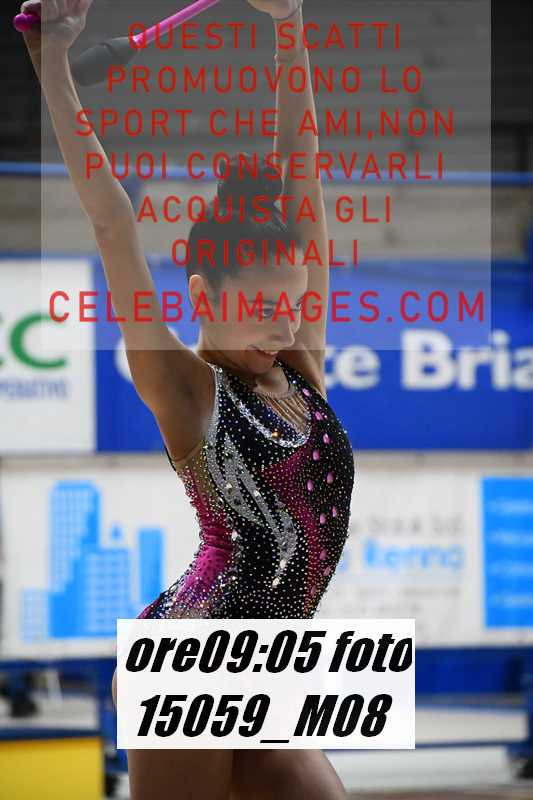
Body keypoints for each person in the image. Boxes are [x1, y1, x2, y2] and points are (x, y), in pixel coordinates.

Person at [21, 0, 355, 796]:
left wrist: (287, 22)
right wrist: (53, 60)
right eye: (265, 306)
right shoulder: (184, 385)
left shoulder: (299, 367)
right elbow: (112, 223)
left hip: (264, 664)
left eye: (294, 302)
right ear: (204, 293)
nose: (285, 322)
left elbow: (300, 169)